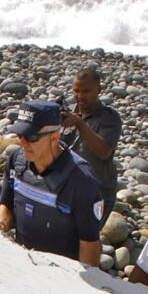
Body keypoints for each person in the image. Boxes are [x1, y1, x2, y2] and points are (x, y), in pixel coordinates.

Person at [0, 99, 106, 265]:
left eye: (32, 137)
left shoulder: (82, 181)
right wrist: (2, 223)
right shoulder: (17, 161)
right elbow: (5, 204)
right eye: (20, 135)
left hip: (62, 273)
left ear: (54, 137)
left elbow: (89, 244)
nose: (23, 143)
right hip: (24, 263)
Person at [60, 67, 123, 204]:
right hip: (68, 187)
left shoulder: (109, 117)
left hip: (98, 191)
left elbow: (104, 151)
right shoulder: (67, 113)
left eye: (86, 91)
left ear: (98, 91)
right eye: (76, 91)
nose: (80, 96)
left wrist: (80, 124)